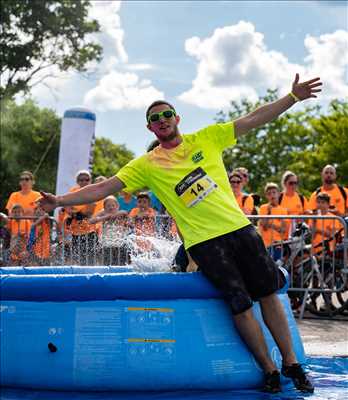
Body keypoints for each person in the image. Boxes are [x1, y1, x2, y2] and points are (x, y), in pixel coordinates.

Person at [38, 73, 321, 393]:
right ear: (150, 128)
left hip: (240, 229)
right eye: (154, 118)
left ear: (177, 118)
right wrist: (60, 200)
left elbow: (254, 118)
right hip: (203, 243)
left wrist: (292, 97)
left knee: (268, 293)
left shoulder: (208, 138)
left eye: (166, 115)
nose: (161, 120)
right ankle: (269, 369)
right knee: (239, 304)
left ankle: (290, 363)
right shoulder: (146, 164)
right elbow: (104, 187)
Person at [89, 196, 130, 265]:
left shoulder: (120, 213)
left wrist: (111, 216)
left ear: (117, 206)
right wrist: (104, 217)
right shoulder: (104, 213)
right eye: (108, 206)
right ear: (104, 208)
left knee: (122, 263)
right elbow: (91, 221)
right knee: (107, 263)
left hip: (119, 244)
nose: (111, 207)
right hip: (107, 245)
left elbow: (125, 213)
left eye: (113, 205)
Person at [259, 183, 289, 249]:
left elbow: (283, 229)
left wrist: (271, 225)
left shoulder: (283, 210)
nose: (272, 195)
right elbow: (264, 226)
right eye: (269, 193)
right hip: (265, 245)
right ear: (266, 196)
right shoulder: (263, 208)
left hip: (278, 244)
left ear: (278, 194)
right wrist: (269, 213)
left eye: (274, 192)